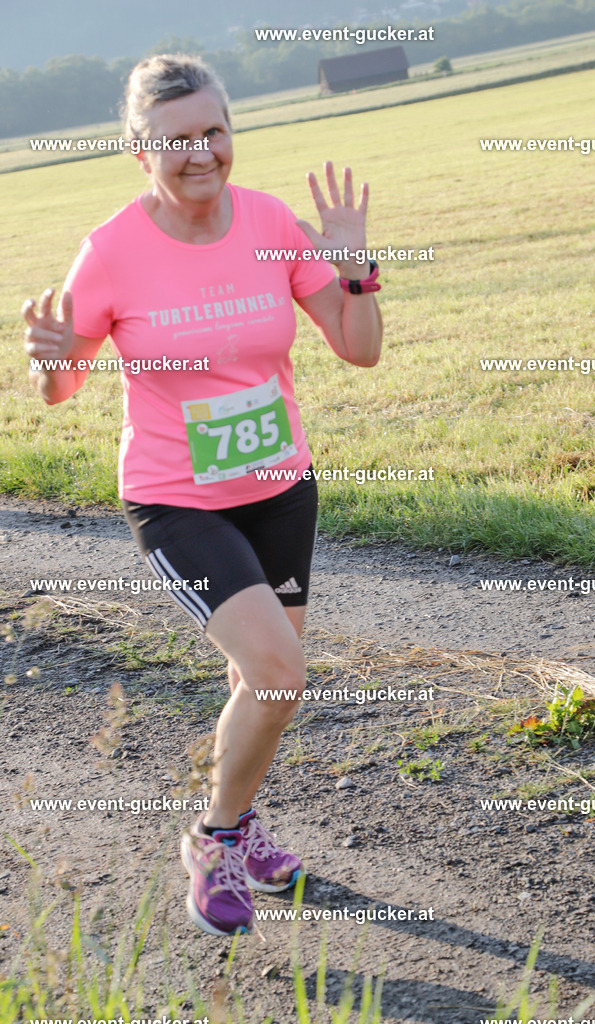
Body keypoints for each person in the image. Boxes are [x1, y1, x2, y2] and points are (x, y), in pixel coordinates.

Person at [22, 53, 383, 937]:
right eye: (178, 140)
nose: (201, 153)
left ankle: (245, 826)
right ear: (138, 149)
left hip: (279, 487)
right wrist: (51, 360)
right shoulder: (110, 251)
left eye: (215, 131)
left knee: (258, 683)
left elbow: (358, 347)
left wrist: (357, 274)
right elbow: (61, 388)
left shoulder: (268, 223)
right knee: (279, 671)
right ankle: (214, 841)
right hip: (177, 498)